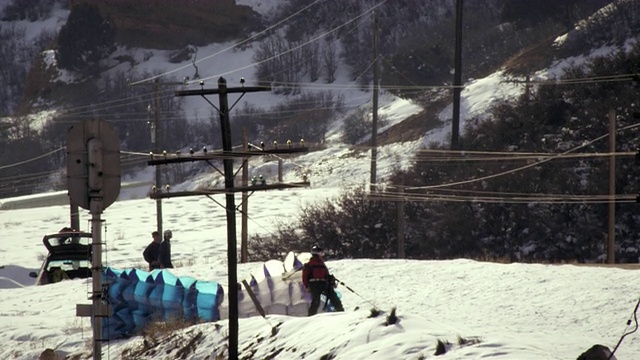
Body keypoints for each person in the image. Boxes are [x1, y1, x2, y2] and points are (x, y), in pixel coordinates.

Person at [302, 245, 344, 316]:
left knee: (333, 298)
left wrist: (330, 279)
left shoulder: (321, 264)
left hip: (323, 283)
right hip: (314, 284)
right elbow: (305, 276)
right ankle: (311, 316)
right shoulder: (310, 264)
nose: (322, 255)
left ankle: (341, 312)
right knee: (316, 301)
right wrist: (306, 286)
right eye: (321, 253)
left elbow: (326, 274)